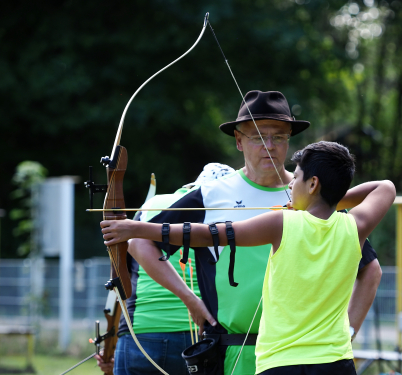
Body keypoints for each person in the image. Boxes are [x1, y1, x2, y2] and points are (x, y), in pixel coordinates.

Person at [111, 90, 382, 375]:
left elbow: (370, 270)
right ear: (239, 141)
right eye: (257, 136)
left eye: (279, 136)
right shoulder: (212, 194)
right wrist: (190, 299)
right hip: (231, 352)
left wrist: (347, 331)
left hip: (303, 356)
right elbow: (141, 243)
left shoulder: (312, 198)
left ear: (289, 139)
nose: (269, 145)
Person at [95, 164, 235, 375]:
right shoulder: (232, 209)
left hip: (143, 331)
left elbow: (123, 269)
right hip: (205, 331)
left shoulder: (155, 203)